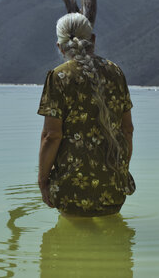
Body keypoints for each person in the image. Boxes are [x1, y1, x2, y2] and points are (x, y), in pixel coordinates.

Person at [37, 13, 135, 217]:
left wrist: (43, 180)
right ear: (93, 40)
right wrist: (121, 172)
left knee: (70, 246)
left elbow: (51, 136)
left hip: (71, 187)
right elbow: (127, 130)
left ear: (59, 46)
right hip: (113, 187)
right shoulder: (115, 73)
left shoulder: (59, 77)